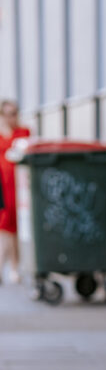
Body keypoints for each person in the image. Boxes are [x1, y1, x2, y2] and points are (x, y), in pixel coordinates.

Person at [0, 100, 31, 283]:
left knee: (15, 225)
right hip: (2, 184)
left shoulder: (23, 133)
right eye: (8, 113)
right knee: (5, 224)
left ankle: (12, 266)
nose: (13, 117)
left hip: (19, 184)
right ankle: (10, 266)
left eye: (15, 113)